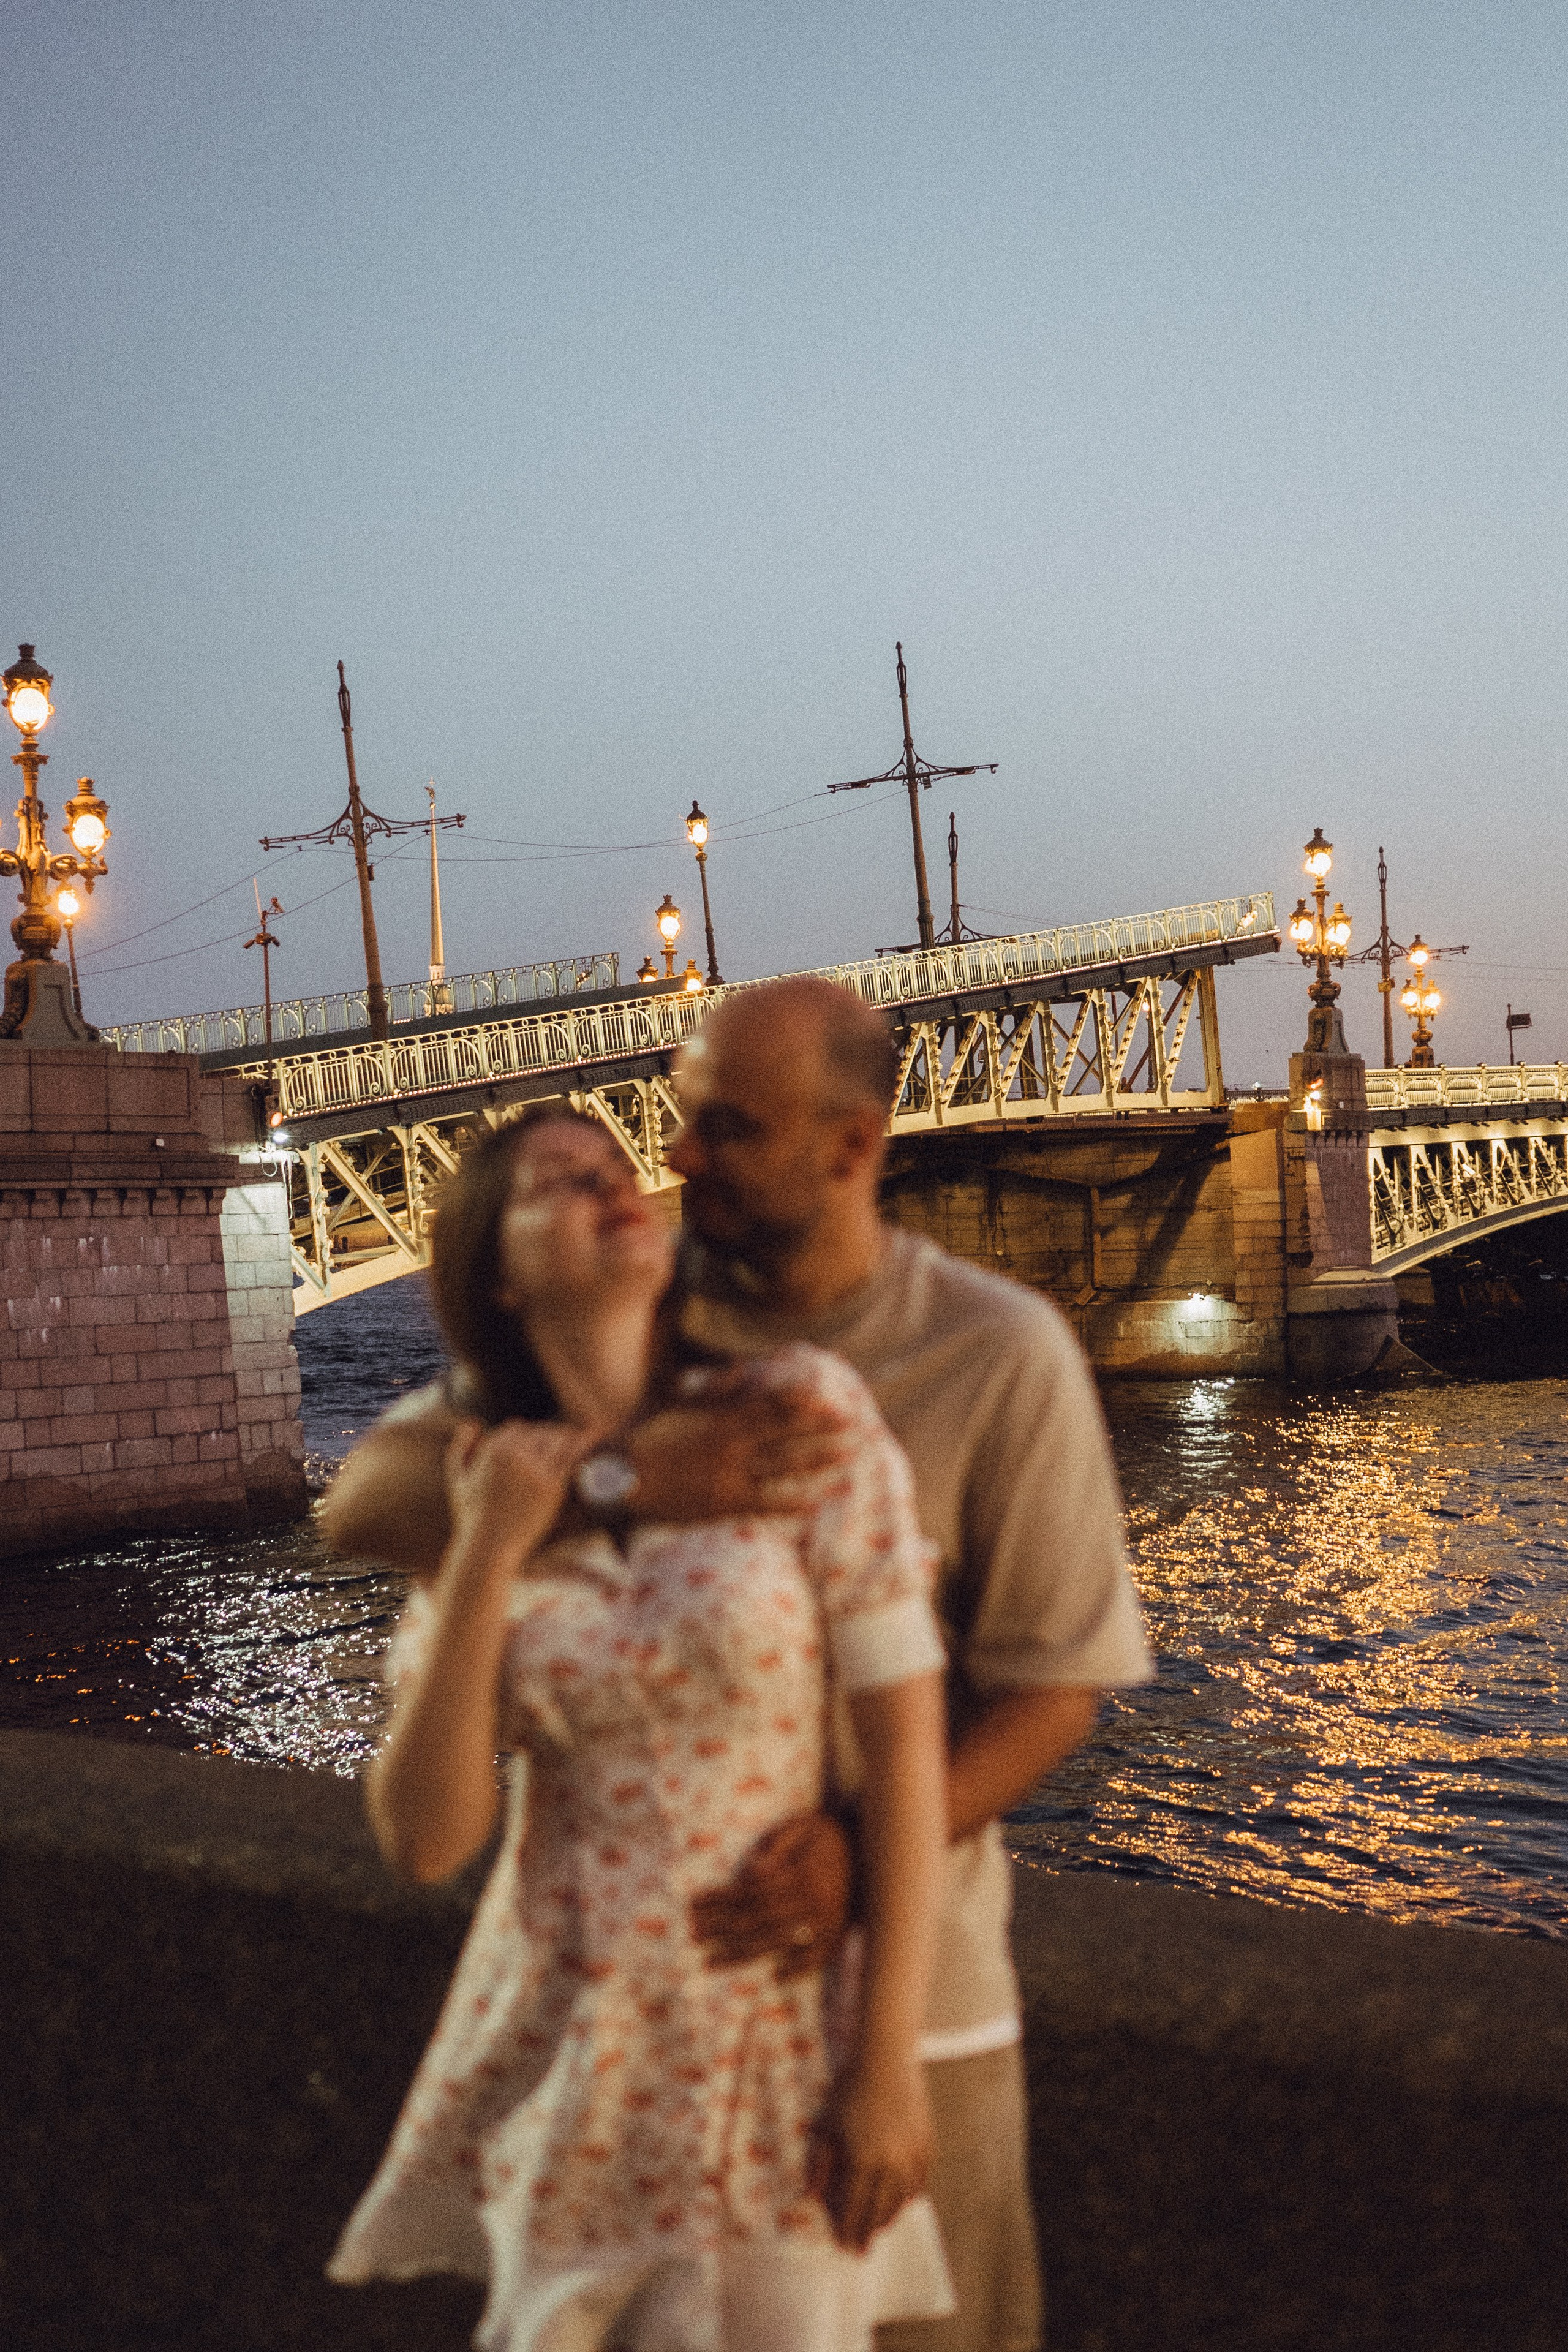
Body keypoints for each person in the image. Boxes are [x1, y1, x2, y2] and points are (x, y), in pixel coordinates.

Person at [325, 978, 1155, 2352]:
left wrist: (851, 1858)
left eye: (723, 1129)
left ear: (851, 1148)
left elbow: (1054, 1695)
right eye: (678, 1123)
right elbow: (370, 1501)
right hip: (630, 2049)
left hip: (915, 2002)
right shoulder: (650, 1325)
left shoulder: (994, 1352)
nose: (677, 1163)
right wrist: (626, 1474)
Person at [328, 1105, 957, 2352]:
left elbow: (902, 1751)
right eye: (563, 1184)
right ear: (495, 1275)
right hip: (574, 2060)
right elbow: (427, 1839)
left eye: (618, 1171)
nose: (615, 1189)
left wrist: (888, 2061)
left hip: (775, 2046)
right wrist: (496, 1545)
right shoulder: (478, 1484)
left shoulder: (796, 1411)